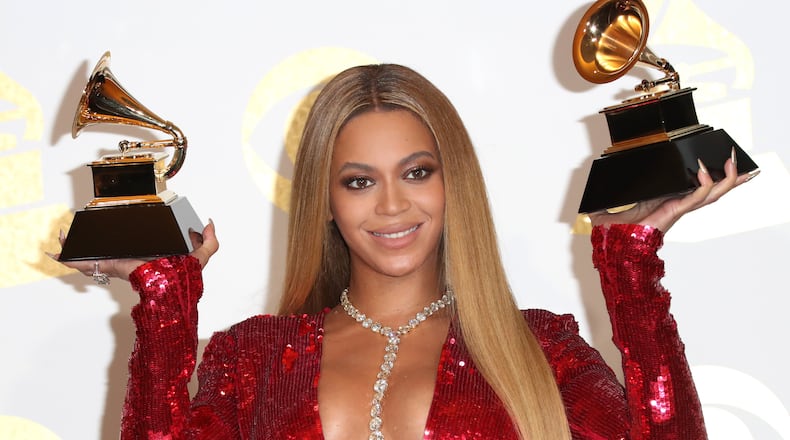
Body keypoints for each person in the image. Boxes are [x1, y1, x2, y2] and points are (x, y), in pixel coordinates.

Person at [56, 63, 756, 440]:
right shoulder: (252, 357)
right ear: (326, 201)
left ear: (455, 184)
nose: (392, 205)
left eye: (417, 173)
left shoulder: (544, 351)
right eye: (359, 181)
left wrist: (631, 265)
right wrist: (164, 305)